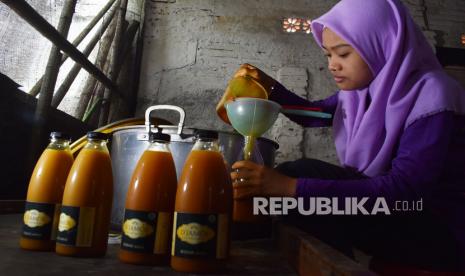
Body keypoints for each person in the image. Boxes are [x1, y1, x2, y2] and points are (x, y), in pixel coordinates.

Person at [216, 0, 465, 272]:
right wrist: (269, 88)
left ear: (383, 45)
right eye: (328, 55)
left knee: (298, 179)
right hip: (391, 214)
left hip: (433, 226)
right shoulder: (360, 93)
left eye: (343, 54)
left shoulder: (435, 94)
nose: (333, 65)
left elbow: (403, 191)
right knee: (295, 185)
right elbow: (318, 115)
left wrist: (290, 187)